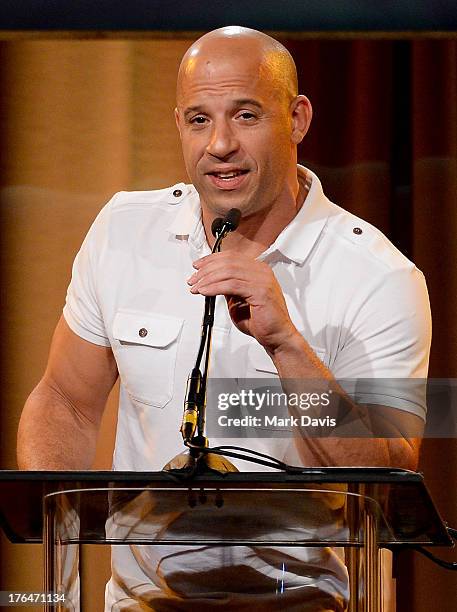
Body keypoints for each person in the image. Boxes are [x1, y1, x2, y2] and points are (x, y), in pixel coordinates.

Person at [17, 26, 431, 611]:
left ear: (298, 119)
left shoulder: (380, 276)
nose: (220, 145)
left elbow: (387, 473)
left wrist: (286, 343)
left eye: (245, 115)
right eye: (199, 119)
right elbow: (64, 397)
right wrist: (56, 515)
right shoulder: (122, 229)